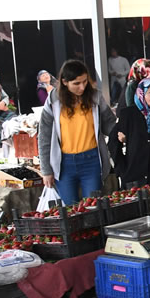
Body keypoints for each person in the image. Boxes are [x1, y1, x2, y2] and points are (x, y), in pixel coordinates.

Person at [38, 60, 114, 203]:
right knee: (70, 210)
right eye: (76, 83)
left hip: (92, 161)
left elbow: (109, 124)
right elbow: (44, 137)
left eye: (85, 82)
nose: (82, 87)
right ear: (65, 82)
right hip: (64, 164)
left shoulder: (95, 97)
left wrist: (121, 133)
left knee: (93, 207)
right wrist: (46, 171)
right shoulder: (53, 99)